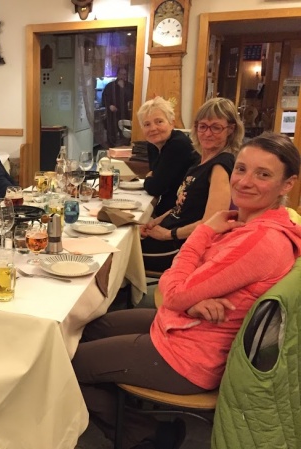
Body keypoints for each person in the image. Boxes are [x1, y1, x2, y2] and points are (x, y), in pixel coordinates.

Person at [72, 132, 301, 449]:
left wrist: (202, 234)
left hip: (189, 356)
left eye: (263, 175)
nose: (245, 182)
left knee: (64, 365)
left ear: (287, 184)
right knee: (89, 327)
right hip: (182, 323)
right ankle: (122, 396)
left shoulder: (261, 240)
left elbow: (175, 291)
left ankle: (145, 434)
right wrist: (190, 300)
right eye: (241, 169)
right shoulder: (240, 223)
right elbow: (180, 288)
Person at [141, 97, 244, 272]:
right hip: (169, 236)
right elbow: (181, 205)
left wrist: (167, 234)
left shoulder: (220, 166)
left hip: (179, 248)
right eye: (202, 126)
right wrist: (155, 222)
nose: (207, 133)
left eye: (216, 127)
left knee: (116, 253)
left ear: (231, 129)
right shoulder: (201, 160)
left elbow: (212, 224)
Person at [138, 97, 200, 216]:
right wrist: (153, 179)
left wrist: (148, 179)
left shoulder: (178, 144)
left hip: (183, 211)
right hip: (170, 206)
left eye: (159, 122)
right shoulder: (153, 145)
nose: (153, 128)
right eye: (147, 124)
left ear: (172, 123)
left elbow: (156, 187)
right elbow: (157, 180)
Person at [102, 66, 134, 147]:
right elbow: (104, 99)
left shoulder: (130, 86)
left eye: (124, 74)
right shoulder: (110, 86)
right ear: (117, 74)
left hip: (125, 115)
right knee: (111, 137)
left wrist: (122, 88)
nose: (122, 76)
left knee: (125, 138)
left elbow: (131, 98)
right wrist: (109, 106)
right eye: (121, 74)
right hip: (112, 116)